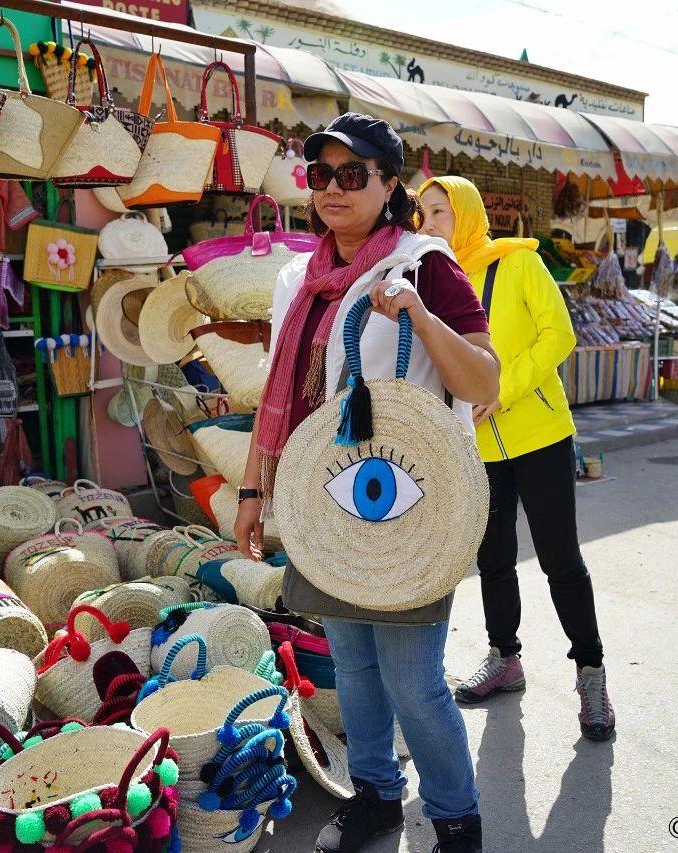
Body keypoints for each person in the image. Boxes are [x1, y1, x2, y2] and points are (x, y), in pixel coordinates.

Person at [234, 113, 500, 853]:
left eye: (354, 174)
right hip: (324, 498)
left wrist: (418, 311)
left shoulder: (426, 264)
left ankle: (455, 816)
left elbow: (484, 378)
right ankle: (377, 796)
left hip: (406, 497)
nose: (333, 189)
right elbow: (278, 396)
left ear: (391, 185)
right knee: (352, 667)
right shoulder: (299, 276)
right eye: (320, 175)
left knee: (414, 680)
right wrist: (254, 493)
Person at [417, 177, 615, 741]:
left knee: (561, 560)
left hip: (541, 434)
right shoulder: (428, 284)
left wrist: (502, 390)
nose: (428, 223)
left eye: (440, 211)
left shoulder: (520, 265)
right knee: (494, 558)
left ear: (468, 214)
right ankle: (505, 658)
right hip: (474, 444)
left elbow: (559, 337)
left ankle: (591, 672)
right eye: (422, 214)